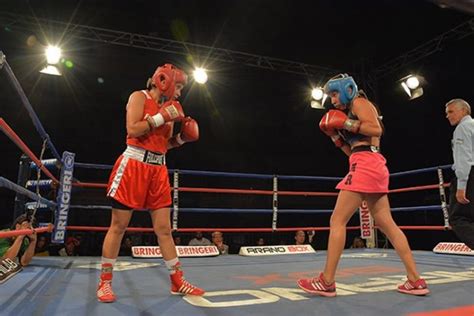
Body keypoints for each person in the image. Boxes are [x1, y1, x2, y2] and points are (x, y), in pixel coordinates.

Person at [297, 74, 429, 297]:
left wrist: (346, 123)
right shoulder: (351, 112)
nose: (332, 100)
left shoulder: (359, 102)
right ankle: (415, 280)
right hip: (369, 163)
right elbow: (352, 151)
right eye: (330, 96)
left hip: (367, 165)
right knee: (387, 223)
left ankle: (327, 281)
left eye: (335, 94)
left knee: (337, 220)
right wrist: (335, 137)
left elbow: (376, 130)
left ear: (347, 89)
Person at [97, 63, 203, 303]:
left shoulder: (171, 109)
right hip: (134, 166)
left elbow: (162, 144)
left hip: (158, 169)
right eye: (177, 86)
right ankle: (104, 283)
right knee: (119, 226)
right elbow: (132, 129)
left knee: (164, 230)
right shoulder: (139, 97)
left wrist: (182, 139)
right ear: (163, 81)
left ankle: (177, 282)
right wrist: (160, 117)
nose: (179, 93)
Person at [445, 98, 474, 250]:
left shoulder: (462, 128)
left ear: (463, 111)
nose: (447, 116)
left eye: (451, 111)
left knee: (458, 218)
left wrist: (461, 186)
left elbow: (464, 158)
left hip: (469, 176)